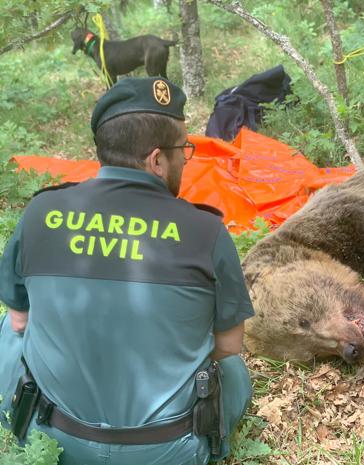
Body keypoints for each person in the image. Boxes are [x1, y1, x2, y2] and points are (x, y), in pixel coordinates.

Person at [0, 77, 254, 464]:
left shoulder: (40, 212)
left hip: (56, 440)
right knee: (235, 372)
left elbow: (20, 320)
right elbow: (229, 346)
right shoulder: (207, 231)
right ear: (156, 160)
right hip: (170, 451)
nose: (186, 160)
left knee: (7, 331)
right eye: (183, 151)